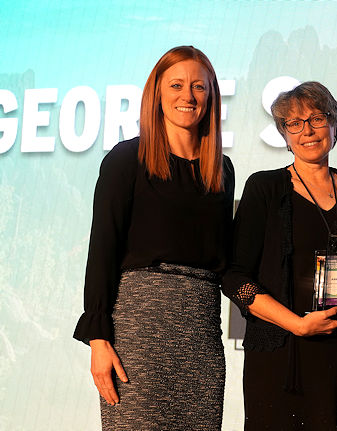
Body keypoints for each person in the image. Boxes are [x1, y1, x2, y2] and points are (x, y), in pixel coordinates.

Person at [73, 46, 234, 430]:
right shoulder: (127, 159)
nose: (188, 96)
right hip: (139, 334)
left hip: (201, 335)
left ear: (211, 96)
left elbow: (226, 261)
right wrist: (99, 340)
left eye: (199, 86)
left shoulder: (221, 170)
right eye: (176, 85)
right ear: (156, 94)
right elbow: (103, 250)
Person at [223, 81, 337, 430]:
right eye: (294, 123)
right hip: (284, 358)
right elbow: (235, 278)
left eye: (317, 119)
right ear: (284, 134)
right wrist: (297, 324)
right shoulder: (265, 188)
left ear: (334, 126)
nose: (307, 130)